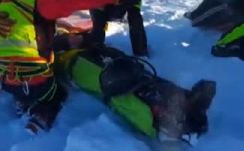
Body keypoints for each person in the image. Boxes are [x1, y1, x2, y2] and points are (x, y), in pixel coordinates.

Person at [0, 0, 124, 133]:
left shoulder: (2, 10)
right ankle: (40, 117)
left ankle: (22, 102)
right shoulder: (37, 4)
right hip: (36, 83)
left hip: (7, 82)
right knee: (57, 94)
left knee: (24, 85)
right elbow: (73, 2)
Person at [55, 46, 216, 143]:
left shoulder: (77, 44)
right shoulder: (59, 52)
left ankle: (183, 103)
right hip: (79, 66)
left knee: (139, 81)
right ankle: (166, 120)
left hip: (91, 62)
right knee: (123, 87)